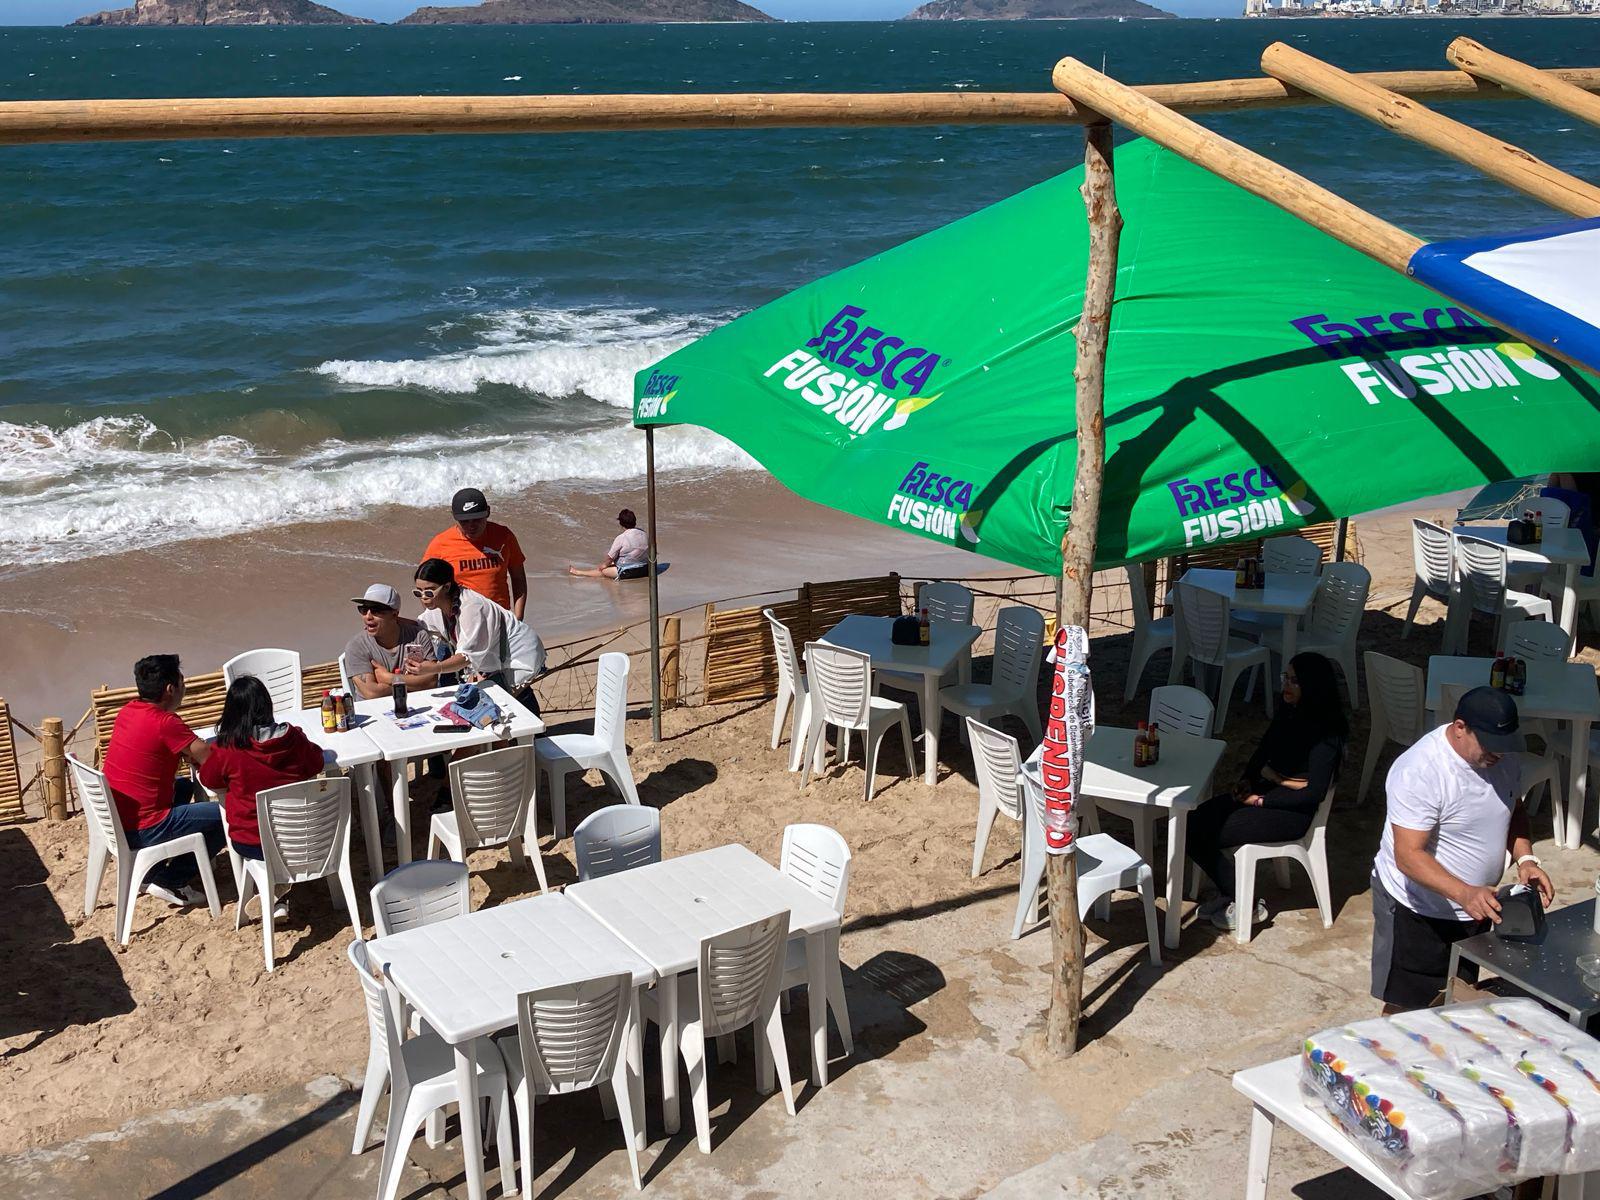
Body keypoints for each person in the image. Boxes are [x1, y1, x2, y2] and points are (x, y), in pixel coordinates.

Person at [1371, 686, 1554, 1013]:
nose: (1498, 754)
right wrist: (1464, 893)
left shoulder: (1503, 757)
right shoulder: (1421, 770)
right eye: (1490, 744)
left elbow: (1513, 807)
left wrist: (1525, 858)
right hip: (1418, 911)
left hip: (1473, 909)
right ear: (1459, 728)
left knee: (1455, 999)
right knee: (1407, 1008)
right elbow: (1408, 856)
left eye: (1505, 745)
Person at [1187, 652, 1348, 934]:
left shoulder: (1327, 733)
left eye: (1295, 681)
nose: (1286, 685)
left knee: (1211, 831)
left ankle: (1246, 902)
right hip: (1266, 794)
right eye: (1286, 677)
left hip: (1292, 812)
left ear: (1312, 685)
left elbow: (1314, 793)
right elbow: (1262, 751)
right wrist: (1246, 781)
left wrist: (1262, 800)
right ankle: (1233, 891)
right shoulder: (1290, 712)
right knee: (1193, 821)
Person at [198, 675, 326, 917]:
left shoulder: (227, 750)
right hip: (301, 837)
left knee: (257, 834)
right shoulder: (293, 739)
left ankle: (274, 894)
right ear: (268, 705)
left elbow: (209, 780)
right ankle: (278, 893)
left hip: (252, 841)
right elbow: (316, 762)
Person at [101, 654, 223, 907]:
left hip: (118, 821)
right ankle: (171, 880)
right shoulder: (165, 722)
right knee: (226, 815)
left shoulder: (128, 711)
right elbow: (207, 755)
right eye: (182, 683)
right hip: (144, 828)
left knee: (186, 787)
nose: (184, 689)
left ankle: (150, 871)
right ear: (170, 688)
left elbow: (154, 750)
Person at [413, 558, 545, 705]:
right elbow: (419, 625)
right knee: (497, 697)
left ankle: (537, 725)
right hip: (494, 654)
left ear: (446, 587)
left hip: (519, 653)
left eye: (429, 592)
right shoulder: (439, 605)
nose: (424, 598)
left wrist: (435, 668)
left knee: (516, 696)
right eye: (418, 593)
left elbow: (465, 657)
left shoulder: (473, 608)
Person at [423, 487, 527, 618]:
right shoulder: (441, 543)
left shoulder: (504, 536)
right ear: (454, 516)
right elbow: (425, 587)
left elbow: (518, 578)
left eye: (477, 519)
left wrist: (518, 618)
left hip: (500, 617)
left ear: (488, 512)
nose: (471, 526)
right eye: (464, 521)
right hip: (460, 619)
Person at [343, 584, 448, 700]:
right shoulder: (356, 646)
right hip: (375, 709)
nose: (368, 616)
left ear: (394, 614)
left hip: (416, 705)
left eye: (376, 610)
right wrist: (414, 683)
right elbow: (372, 693)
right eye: (363, 610)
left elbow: (431, 682)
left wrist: (388, 678)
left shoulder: (418, 636)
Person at [568, 508, 648, 579]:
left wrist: (604, 566)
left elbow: (610, 557)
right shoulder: (644, 534)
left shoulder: (622, 537)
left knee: (604, 570)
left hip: (629, 572)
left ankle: (579, 572)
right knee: (613, 563)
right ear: (635, 521)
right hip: (646, 569)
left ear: (621, 523)